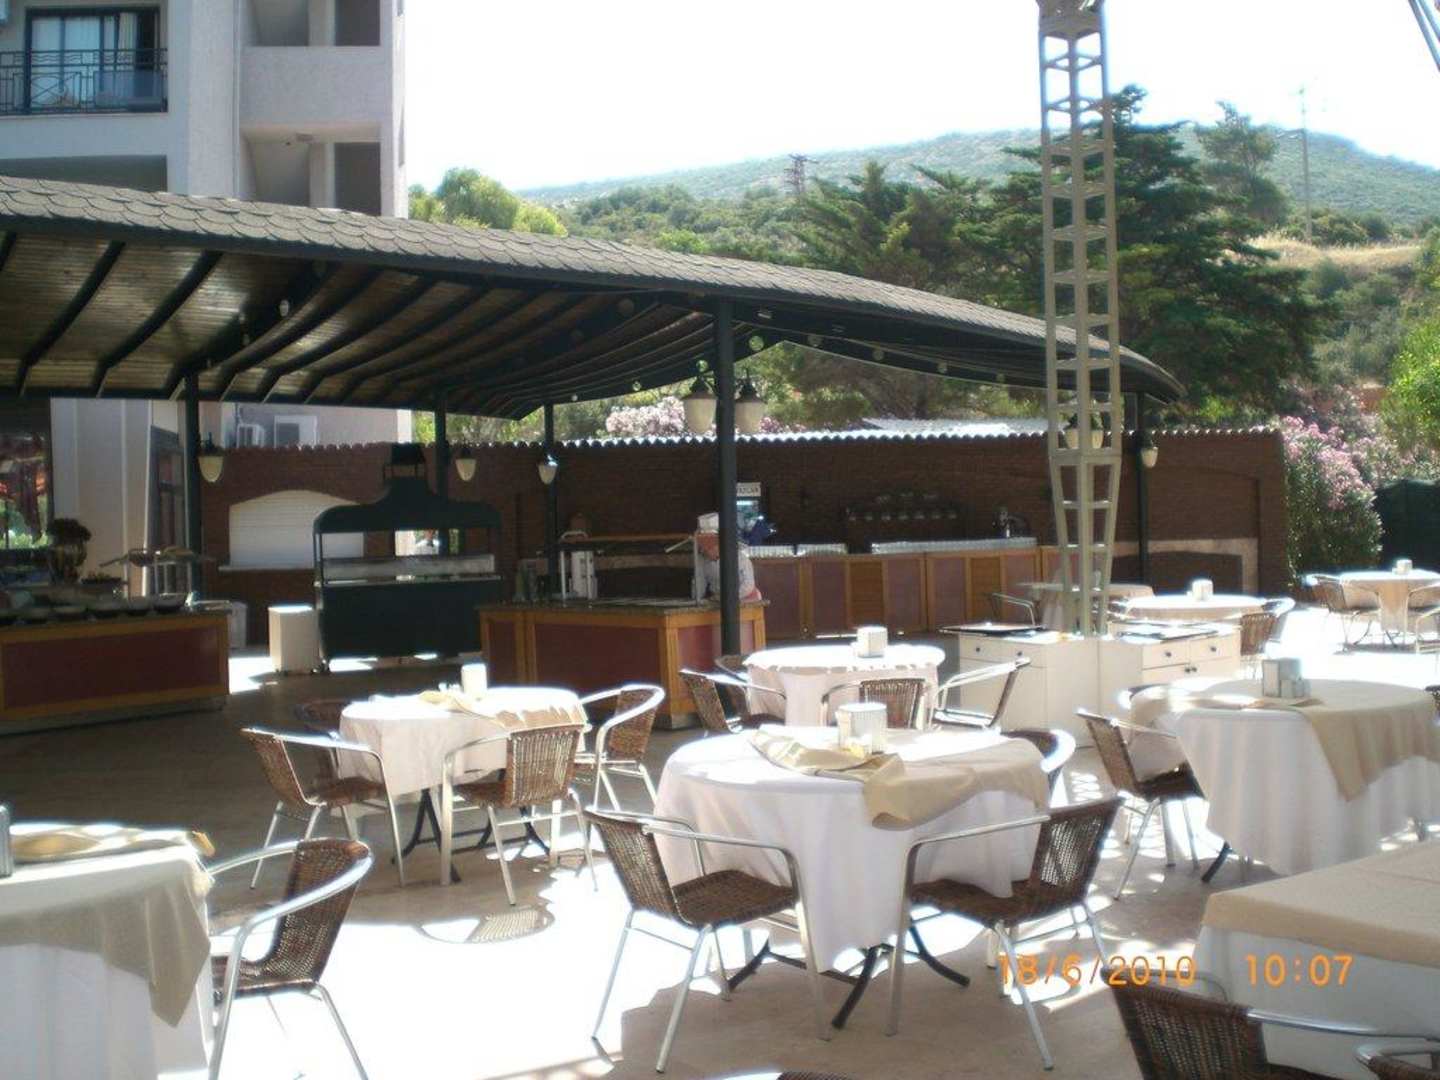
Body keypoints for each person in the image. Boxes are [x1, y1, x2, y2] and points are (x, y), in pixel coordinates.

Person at [695, 512, 762, 602]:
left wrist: (724, 598)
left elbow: (748, 586)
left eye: (710, 545)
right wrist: (698, 599)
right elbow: (700, 584)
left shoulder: (741, 559)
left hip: (745, 599)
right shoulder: (702, 560)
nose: (706, 550)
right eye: (704, 545)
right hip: (717, 600)